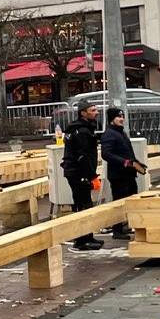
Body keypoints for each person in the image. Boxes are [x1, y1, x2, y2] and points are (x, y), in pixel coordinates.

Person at [63, 102, 104, 250]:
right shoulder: (81, 131)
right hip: (78, 172)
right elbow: (83, 156)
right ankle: (82, 240)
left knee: (84, 203)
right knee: (83, 204)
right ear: (83, 113)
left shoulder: (81, 129)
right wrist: (92, 176)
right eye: (93, 110)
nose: (97, 112)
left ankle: (88, 236)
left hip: (76, 171)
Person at [100, 107, 145, 239]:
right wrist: (124, 162)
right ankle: (117, 230)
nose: (121, 119)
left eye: (122, 117)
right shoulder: (109, 134)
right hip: (118, 174)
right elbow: (106, 154)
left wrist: (136, 163)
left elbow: (128, 152)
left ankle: (125, 226)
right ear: (112, 119)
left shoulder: (121, 133)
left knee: (131, 199)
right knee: (119, 201)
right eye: (118, 117)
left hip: (129, 174)